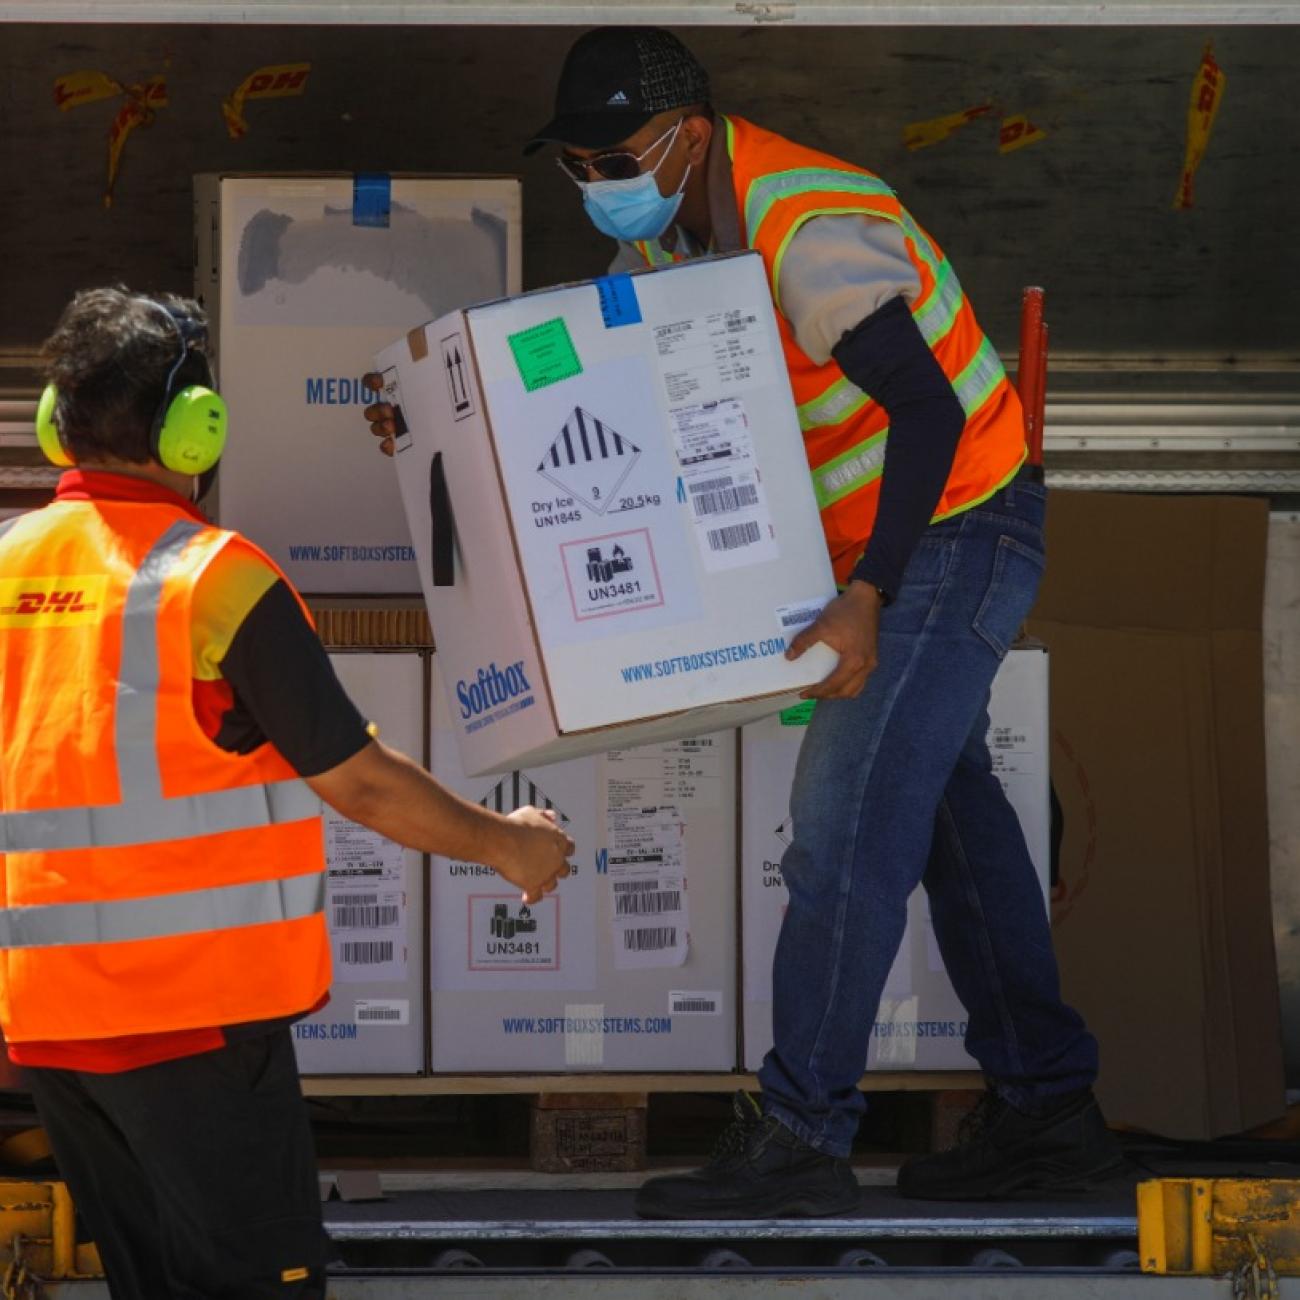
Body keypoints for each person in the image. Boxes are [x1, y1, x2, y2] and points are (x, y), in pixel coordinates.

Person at [365, 28, 1124, 1219]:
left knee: (840, 835)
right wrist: (432, 431)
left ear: (692, 135)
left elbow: (923, 410)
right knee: (951, 834)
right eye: (575, 162)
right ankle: (1048, 1115)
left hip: (956, 530)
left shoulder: (805, 226)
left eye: (613, 155)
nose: (596, 180)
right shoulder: (679, 231)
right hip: (903, 543)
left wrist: (867, 592)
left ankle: (800, 1132)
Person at [0, 286, 573, 1299]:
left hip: (50, 1027)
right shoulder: (214, 579)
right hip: (194, 1021)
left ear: (57, 422)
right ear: (194, 428)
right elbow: (357, 778)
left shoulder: (6, 567)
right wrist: (509, 844)